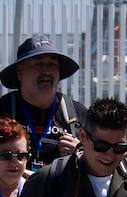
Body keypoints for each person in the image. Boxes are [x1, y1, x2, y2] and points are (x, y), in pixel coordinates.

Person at [0, 35, 86, 170]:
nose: (46, 71)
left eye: (52, 65)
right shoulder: (3, 111)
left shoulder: (78, 114)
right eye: (38, 64)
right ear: (20, 73)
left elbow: (109, 159)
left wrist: (82, 153)